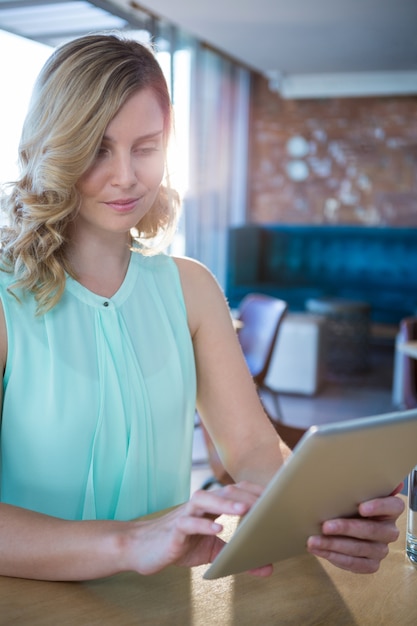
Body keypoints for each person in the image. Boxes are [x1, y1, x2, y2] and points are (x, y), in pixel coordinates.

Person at [0, 33, 403, 582]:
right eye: (98, 148)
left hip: (164, 607)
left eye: (145, 147)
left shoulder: (190, 288)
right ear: (54, 147)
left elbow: (253, 447)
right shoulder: (6, 301)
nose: (127, 176)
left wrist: (324, 515)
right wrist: (129, 543)